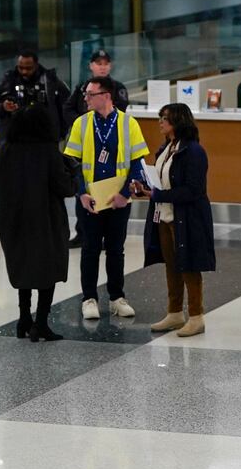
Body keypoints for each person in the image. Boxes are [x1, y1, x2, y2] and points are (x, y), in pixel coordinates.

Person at [64, 75, 149, 319]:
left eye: (91, 94)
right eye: (86, 94)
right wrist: (81, 193)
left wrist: (125, 194)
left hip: (117, 199)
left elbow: (137, 162)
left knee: (115, 249)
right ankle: (89, 298)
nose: (86, 99)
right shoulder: (81, 123)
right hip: (90, 199)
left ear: (106, 96)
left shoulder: (128, 124)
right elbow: (73, 164)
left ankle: (116, 297)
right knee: (90, 248)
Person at [0, 103, 74, 342]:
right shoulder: (48, 151)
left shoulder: (6, 149)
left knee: (23, 266)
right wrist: (71, 172)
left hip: (12, 218)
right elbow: (65, 188)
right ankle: (41, 323)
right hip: (44, 219)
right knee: (47, 270)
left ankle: (24, 319)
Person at [143, 103, 216, 338]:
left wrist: (158, 195)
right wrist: (147, 189)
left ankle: (196, 317)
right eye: (160, 117)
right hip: (165, 216)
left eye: (165, 118)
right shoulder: (167, 148)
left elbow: (194, 190)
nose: (160, 122)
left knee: (189, 266)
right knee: (172, 265)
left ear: (178, 121)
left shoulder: (193, 151)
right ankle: (174, 312)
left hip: (187, 218)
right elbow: (163, 181)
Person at [0, 47, 71, 135]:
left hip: (44, 138)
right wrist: (3, 107)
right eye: (20, 68)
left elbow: (67, 107)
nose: (24, 71)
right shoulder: (8, 81)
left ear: (36, 65)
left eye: (28, 68)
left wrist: (60, 134)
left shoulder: (50, 82)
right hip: (14, 138)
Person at [63, 48, 127, 125]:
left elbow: (121, 110)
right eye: (99, 64)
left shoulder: (118, 88)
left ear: (110, 66)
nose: (103, 67)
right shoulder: (82, 87)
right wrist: (82, 123)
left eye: (106, 64)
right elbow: (68, 109)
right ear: (91, 66)